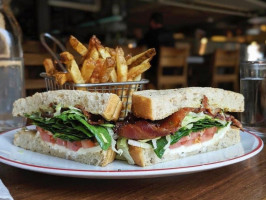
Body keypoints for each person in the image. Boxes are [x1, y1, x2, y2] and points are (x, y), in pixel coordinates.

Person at [138, 12, 175, 88]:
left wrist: (139, 36)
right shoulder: (170, 34)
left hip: (156, 71)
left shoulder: (150, 34)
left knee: (143, 70)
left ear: (152, 22)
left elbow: (140, 45)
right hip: (172, 71)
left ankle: (146, 90)